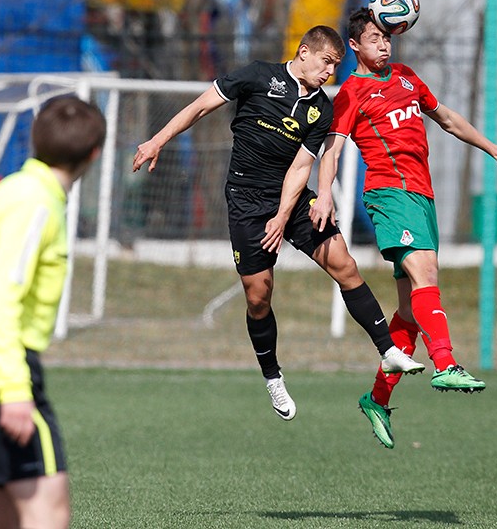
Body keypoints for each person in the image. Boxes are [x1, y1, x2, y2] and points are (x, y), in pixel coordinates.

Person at [133, 25, 424, 422]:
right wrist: (157, 140)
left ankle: (387, 350)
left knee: (344, 263)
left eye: (336, 67)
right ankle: (272, 376)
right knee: (258, 296)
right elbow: (200, 107)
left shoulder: (321, 109)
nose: (330, 73)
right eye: (326, 63)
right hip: (245, 201)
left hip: (289, 197)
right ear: (304, 53)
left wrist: (284, 215)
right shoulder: (256, 75)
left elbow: (302, 165)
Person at [310, 8, 497, 449]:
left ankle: (377, 398)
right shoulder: (351, 92)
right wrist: (326, 193)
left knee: (410, 310)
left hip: (422, 198)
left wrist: (494, 149)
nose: (385, 45)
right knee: (426, 275)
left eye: (388, 37)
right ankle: (446, 363)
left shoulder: (407, 77)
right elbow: (331, 150)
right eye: (375, 38)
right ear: (355, 46)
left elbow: (446, 118)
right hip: (390, 195)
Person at [0, 96, 107, 528]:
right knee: (46, 514)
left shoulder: (7, 192)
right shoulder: (37, 204)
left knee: (2, 520)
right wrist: (12, 388)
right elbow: (1, 295)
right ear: (94, 154)